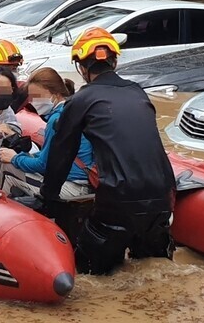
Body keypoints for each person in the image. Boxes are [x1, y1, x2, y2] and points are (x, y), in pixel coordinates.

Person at [40, 27, 176, 276]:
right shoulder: (137, 91)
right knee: (153, 272)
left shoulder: (82, 100)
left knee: (93, 273)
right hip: (162, 195)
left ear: (82, 68)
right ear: (114, 61)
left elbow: (62, 154)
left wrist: (48, 197)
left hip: (118, 197)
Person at [0, 67, 94, 199]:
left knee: (8, 168)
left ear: (54, 94)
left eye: (37, 97)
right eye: (31, 98)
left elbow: (43, 165)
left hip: (72, 188)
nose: (32, 102)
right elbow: (49, 156)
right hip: (86, 183)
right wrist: (26, 156)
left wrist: (14, 158)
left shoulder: (56, 120)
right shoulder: (73, 111)